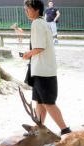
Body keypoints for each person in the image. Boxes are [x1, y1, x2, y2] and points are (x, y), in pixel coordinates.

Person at [23, 0, 71, 135]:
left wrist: (27, 54)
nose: (26, 11)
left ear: (36, 9)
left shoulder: (37, 23)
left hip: (43, 70)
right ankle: (38, 129)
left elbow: (39, 47)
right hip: (43, 69)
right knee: (40, 102)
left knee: (48, 102)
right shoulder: (42, 22)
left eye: (28, 8)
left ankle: (65, 129)